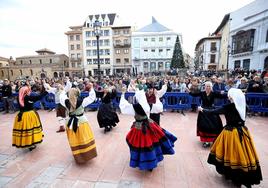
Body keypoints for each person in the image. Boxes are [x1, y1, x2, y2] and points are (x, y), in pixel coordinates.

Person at [198, 88, 262, 187]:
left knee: (230, 151)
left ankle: (232, 173)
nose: (228, 96)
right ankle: (243, 172)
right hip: (243, 131)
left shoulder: (228, 107)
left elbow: (214, 112)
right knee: (244, 152)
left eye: (229, 95)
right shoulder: (245, 106)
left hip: (231, 133)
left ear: (231, 97)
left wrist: (202, 110)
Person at [119, 88, 177, 171]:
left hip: (139, 127)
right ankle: (151, 163)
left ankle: (143, 161)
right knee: (151, 144)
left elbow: (123, 107)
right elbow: (159, 108)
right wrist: (156, 97)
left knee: (137, 143)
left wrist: (122, 94)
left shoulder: (134, 106)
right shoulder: (148, 105)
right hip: (149, 126)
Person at [59, 85, 97, 163]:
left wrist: (62, 90)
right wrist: (91, 88)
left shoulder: (66, 101)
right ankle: (87, 154)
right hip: (81, 122)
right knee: (84, 138)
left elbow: (61, 97)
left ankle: (78, 156)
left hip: (70, 123)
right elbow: (92, 97)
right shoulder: (82, 101)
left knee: (75, 139)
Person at [187, 81, 226, 147]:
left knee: (214, 125)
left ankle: (214, 139)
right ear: (204, 87)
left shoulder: (214, 93)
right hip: (203, 111)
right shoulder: (202, 93)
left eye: (209, 86)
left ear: (211, 87)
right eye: (207, 86)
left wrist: (230, 94)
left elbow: (222, 96)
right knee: (204, 125)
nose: (208, 87)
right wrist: (189, 92)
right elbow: (194, 94)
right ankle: (206, 141)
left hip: (212, 110)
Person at [12, 84, 47, 151]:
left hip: (21, 115)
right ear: (25, 91)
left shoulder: (19, 97)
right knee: (30, 129)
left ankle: (26, 142)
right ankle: (31, 144)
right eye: (28, 91)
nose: (29, 92)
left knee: (24, 130)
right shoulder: (27, 97)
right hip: (29, 115)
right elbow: (38, 97)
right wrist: (46, 92)